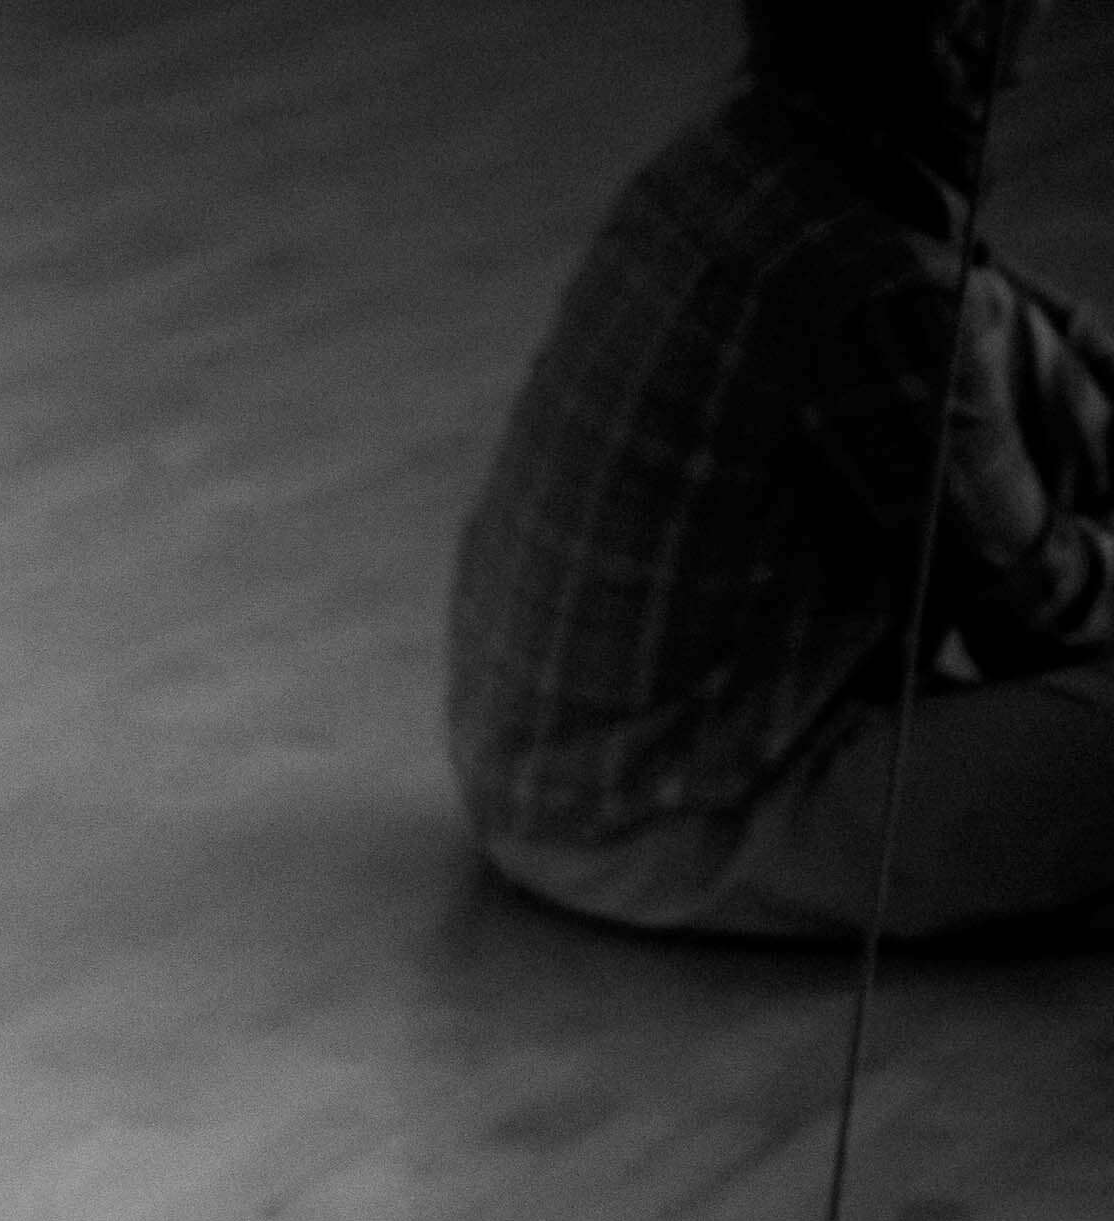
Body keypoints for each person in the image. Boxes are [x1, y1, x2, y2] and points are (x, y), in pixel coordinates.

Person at [448, 0, 1114, 939]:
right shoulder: (874, 279)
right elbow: (1039, 611)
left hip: (544, 772)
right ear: (911, 50)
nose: (1013, 77)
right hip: (655, 823)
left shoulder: (742, 159)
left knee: (1003, 331)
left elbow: (1007, 318)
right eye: (978, 44)